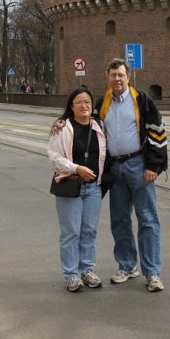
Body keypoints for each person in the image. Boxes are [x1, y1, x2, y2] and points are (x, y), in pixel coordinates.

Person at [96, 58, 167, 292]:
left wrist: (153, 166)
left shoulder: (142, 100)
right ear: (108, 77)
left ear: (128, 77)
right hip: (115, 169)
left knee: (147, 219)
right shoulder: (102, 103)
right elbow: (84, 124)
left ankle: (152, 272)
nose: (117, 79)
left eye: (121, 75)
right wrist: (61, 123)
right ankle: (126, 266)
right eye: (113, 75)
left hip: (139, 165)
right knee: (120, 220)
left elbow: (158, 132)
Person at [47, 87, 107, 292]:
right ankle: (71, 274)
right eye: (79, 102)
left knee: (89, 231)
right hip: (70, 185)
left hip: (93, 188)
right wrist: (76, 168)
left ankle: (87, 270)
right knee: (71, 232)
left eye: (87, 102)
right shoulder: (63, 128)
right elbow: (54, 157)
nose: (84, 106)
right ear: (71, 106)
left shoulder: (100, 126)